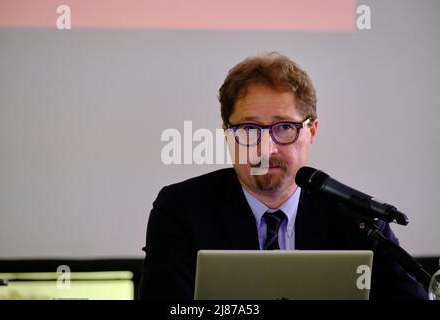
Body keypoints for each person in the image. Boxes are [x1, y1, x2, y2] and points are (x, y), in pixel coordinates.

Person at [139, 52, 428, 300]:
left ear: (311, 131)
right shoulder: (181, 210)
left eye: (284, 127)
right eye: (250, 129)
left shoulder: (358, 218)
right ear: (227, 135)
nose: (267, 147)